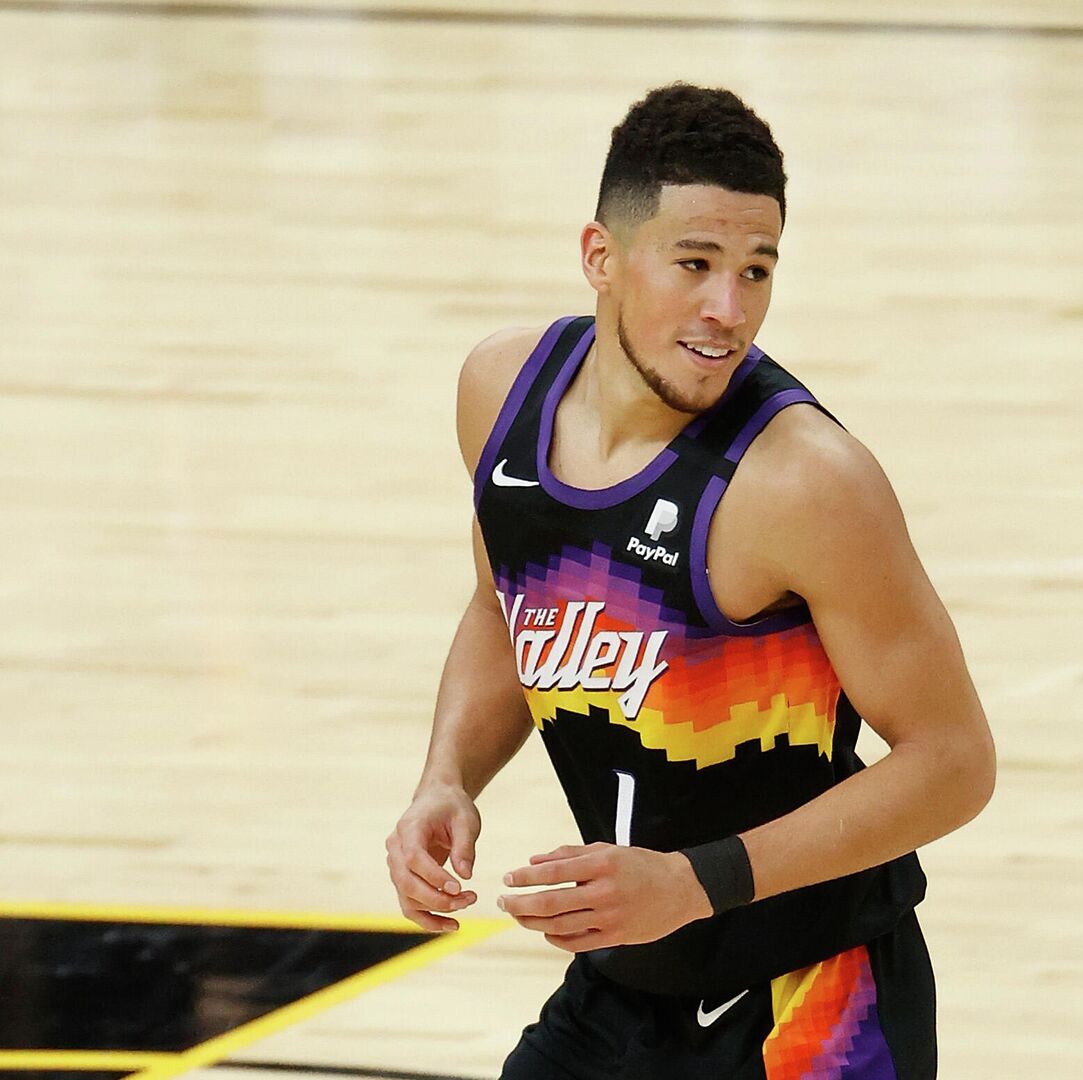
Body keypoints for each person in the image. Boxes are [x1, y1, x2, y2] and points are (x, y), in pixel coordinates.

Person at [382, 84, 996, 1079]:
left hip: (816, 998)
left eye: (757, 271)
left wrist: (696, 883)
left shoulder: (807, 482)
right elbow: (506, 609)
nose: (729, 310)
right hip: (629, 979)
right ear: (601, 257)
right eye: (696, 265)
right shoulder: (501, 395)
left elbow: (956, 761)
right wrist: (446, 776)